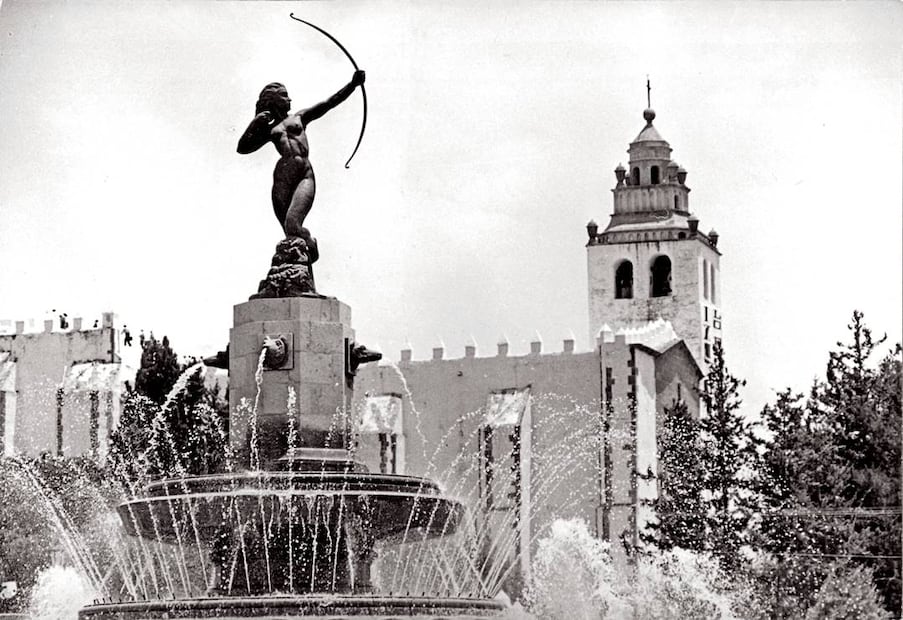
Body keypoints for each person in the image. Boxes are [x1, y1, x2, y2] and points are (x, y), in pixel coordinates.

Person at [237, 71, 366, 239]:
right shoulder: (270, 130)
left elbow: (329, 103)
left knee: (293, 224)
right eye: (284, 96)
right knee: (289, 232)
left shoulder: (299, 117)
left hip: (303, 173)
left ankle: (311, 245)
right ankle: (296, 258)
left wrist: (353, 84)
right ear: (273, 100)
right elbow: (243, 148)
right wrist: (254, 124)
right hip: (283, 176)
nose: (289, 100)